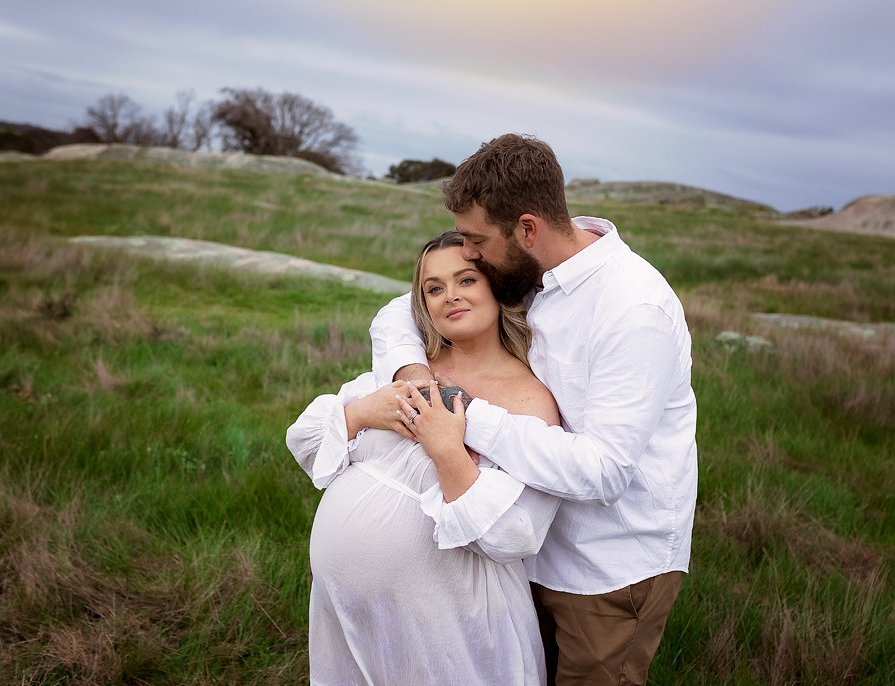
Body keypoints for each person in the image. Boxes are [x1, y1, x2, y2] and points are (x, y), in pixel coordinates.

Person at [370, 134, 698, 685]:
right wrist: (414, 374)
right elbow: (395, 313)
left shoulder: (632, 309)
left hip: (607, 568)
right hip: (525, 549)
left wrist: (465, 413)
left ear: (527, 228)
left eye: (476, 241)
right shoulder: (529, 270)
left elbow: (605, 470)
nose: (469, 254)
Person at [286, 231, 562, 685]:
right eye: (433, 288)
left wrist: (447, 451)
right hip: (351, 617)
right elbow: (307, 440)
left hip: (450, 621)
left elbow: (515, 536)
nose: (449, 296)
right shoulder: (406, 370)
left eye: (466, 280)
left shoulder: (530, 401)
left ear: (496, 286)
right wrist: (360, 413)